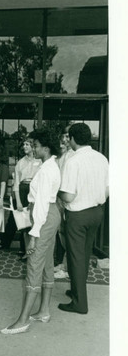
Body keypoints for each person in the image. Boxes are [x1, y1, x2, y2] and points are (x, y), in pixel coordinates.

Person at [1, 129, 61, 335]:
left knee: (34, 264)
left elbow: (42, 205)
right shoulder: (50, 165)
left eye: (35, 145)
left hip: (44, 217)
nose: (32, 149)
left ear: (46, 147)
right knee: (47, 264)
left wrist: (34, 236)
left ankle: (23, 320)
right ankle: (43, 310)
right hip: (49, 216)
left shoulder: (46, 170)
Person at [57, 123, 109, 314]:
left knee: (75, 257)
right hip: (97, 212)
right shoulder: (102, 158)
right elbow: (108, 189)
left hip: (78, 215)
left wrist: (57, 192)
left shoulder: (73, 161)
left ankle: (80, 303)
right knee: (84, 255)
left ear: (71, 139)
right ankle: (77, 291)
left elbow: (69, 196)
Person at [2, 137, 41, 253]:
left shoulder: (39, 162)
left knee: (31, 219)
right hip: (22, 190)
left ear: (33, 147)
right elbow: (16, 183)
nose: (24, 146)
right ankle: (13, 245)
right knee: (20, 220)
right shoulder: (20, 162)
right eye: (24, 144)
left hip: (34, 190)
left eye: (27, 144)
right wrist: (18, 201)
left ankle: (27, 249)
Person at [54, 126, 75, 279]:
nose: (65, 140)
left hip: (69, 197)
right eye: (64, 137)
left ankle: (68, 268)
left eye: (68, 137)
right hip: (59, 197)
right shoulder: (61, 156)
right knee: (60, 231)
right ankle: (62, 262)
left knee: (68, 233)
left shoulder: (74, 156)